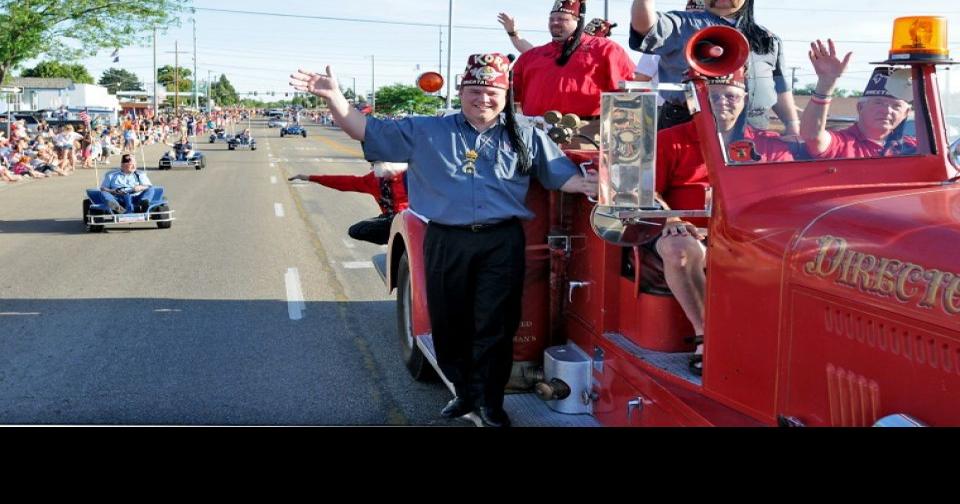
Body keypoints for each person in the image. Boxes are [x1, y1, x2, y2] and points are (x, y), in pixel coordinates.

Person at [290, 53, 598, 427]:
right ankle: (464, 392)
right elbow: (365, 131)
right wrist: (334, 97)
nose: (482, 98)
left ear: (505, 94)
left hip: (501, 242)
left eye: (491, 91)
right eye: (474, 90)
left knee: (496, 325)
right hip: (445, 240)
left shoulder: (525, 134)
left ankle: (490, 402)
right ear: (460, 90)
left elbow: (559, 176)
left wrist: (592, 184)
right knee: (448, 323)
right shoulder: (426, 130)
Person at [651, 66, 793, 376]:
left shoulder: (767, 145)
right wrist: (670, 217)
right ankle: (707, 336)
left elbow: (786, 196)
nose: (723, 102)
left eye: (731, 95)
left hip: (747, 236)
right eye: (713, 95)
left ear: (744, 100)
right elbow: (649, 191)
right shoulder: (670, 139)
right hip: (690, 232)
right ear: (696, 101)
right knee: (678, 249)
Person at [630, 0, 800, 133]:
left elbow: (780, 87)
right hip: (688, 124)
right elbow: (646, 26)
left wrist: (792, 124)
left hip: (754, 126)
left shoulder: (767, 38)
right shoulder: (681, 25)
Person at [512, 1, 636, 120]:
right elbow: (509, 93)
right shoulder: (531, 56)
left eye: (562, 19)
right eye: (551, 19)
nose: (555, 22)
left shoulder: (605, 49)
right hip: (534, 132)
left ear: (578, 21)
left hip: (585, 132)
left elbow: (632, 90)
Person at [800, 39, 916, 159]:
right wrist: (826, 82)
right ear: (860, 107)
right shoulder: (841, 143)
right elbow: (812, 136)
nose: (887, 110)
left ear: (906, 113)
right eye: (878, 103)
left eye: (896, 106)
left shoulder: (913, 148)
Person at [288, 161, 409, 245]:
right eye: (373, 166)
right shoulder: (373, 180)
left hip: (411, 221)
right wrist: (310, 178)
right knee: (356, 230)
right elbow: (344, 182)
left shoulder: (409, 177)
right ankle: (394, 242)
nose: (374, 169)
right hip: (391, 221)